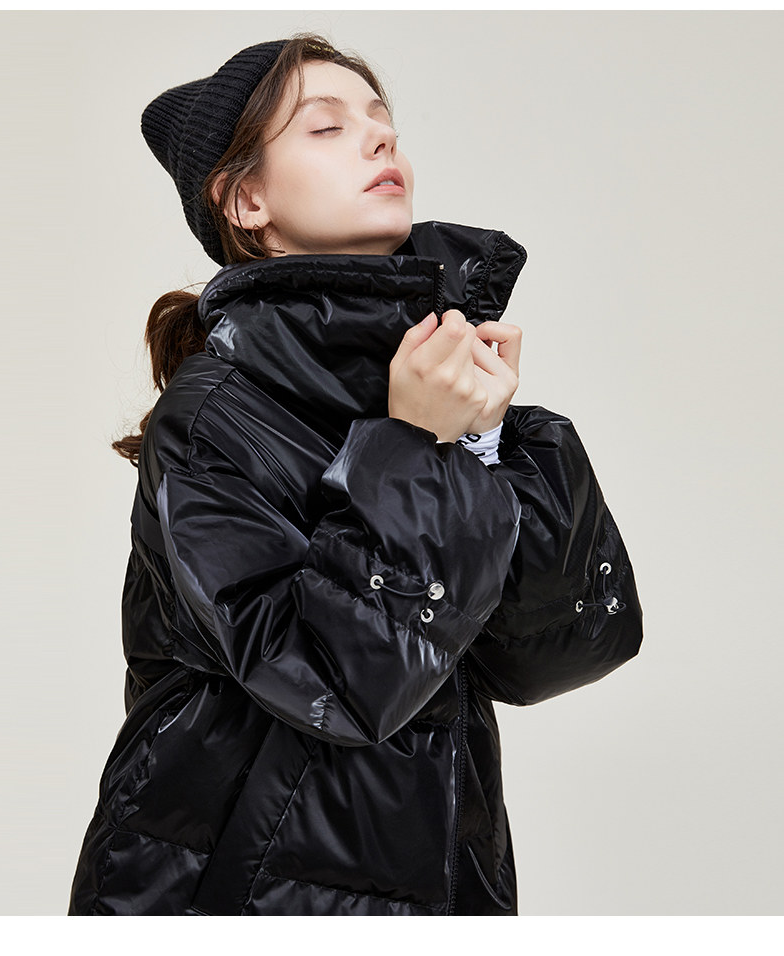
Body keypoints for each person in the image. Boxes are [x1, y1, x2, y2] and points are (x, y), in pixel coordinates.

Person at [67, 33, 643, 917]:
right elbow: (330, 682)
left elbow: (555, 655)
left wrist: (486, 443)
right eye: (326, 127)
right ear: (247, 200)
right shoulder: (214, 414)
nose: (381, 139)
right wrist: (413, 446)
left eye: (383, 122)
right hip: (229, 896)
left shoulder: (425, 387)